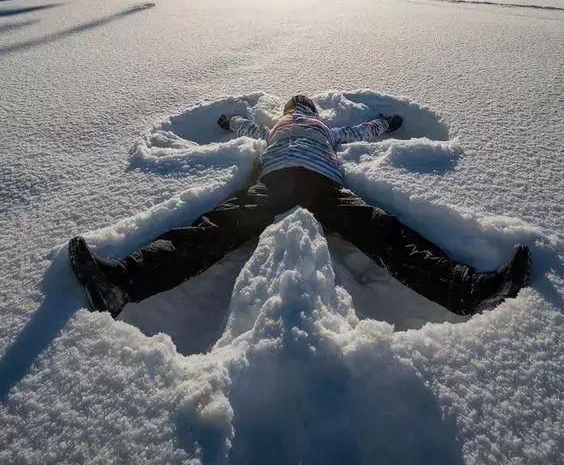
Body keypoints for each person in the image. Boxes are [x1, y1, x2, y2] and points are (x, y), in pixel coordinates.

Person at [69, 94, 532, 319]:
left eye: (301, 109)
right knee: (212, 230)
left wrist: (387, 122)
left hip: (293, 185)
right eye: (297, 109)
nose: (299, 114)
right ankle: (121, 282)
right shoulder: (289, 131)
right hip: (306, 185)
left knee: (385, 233)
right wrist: (229, 120)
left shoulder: (317, 131)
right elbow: (248, 128)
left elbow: (362, 132)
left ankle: (469, 290)